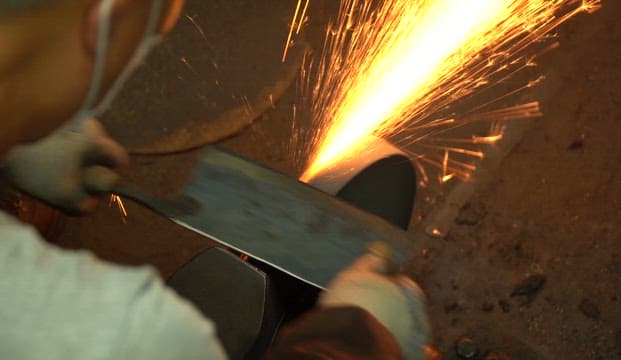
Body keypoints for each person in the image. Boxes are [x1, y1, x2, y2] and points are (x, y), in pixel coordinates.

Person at [0, 1, 430, 359]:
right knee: (227, 293)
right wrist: (357, 337)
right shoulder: (136, 333)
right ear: (109, 19)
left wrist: (13, 137)